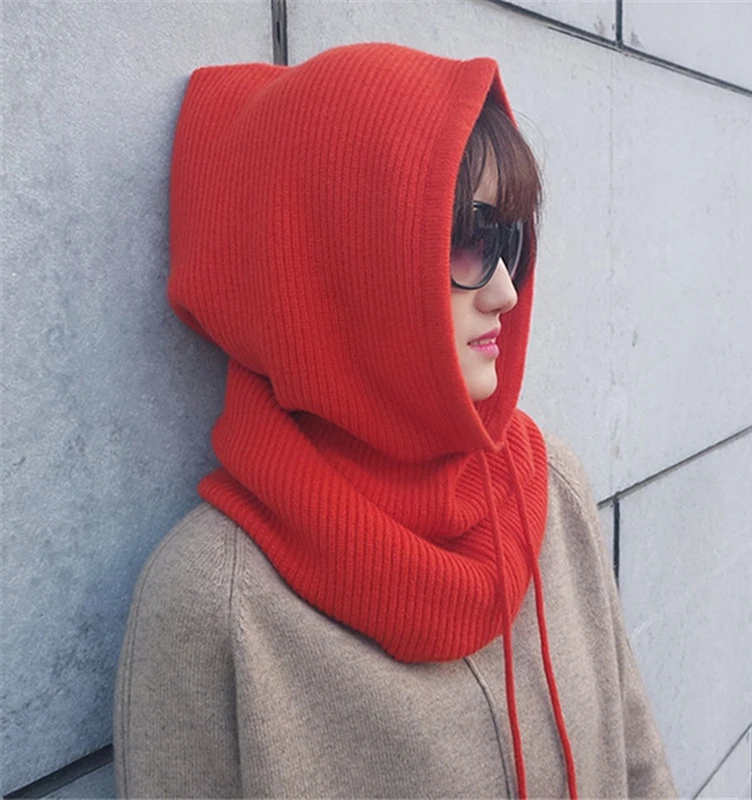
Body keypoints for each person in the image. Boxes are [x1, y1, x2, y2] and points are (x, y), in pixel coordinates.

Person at [114, 42, 677, 799]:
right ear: (342, 258)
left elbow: (639, 771)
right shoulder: (211, 604)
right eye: (468, 236)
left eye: (510, 239)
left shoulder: (549, 492)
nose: (507, 292)